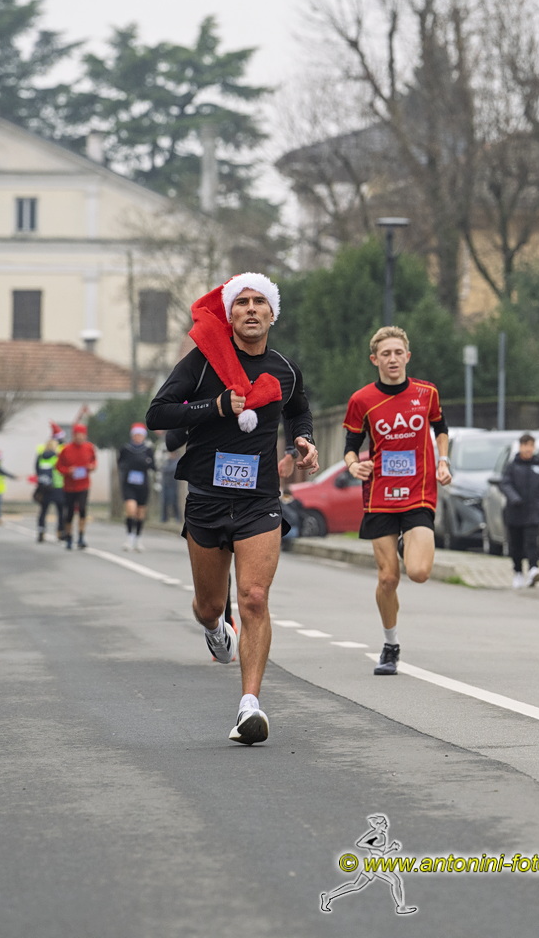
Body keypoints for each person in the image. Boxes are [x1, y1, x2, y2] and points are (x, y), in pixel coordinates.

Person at [145, 272, 317, 745]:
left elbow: (298, 409)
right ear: (230, 314)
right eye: (241, 302)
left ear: (272, 314)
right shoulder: (202, 363)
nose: (251, 309)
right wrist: (216, 406)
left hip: (259, 500)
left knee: (254, 597)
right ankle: (215, 627)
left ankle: (249, 706)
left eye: (260, 301)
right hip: (206, 496)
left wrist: (303, 440)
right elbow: (157, 413)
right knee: (208, 606)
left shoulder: (285, 369)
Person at [342, 326, 452, 676]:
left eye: (398, 353)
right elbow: (350, 447)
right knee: (388, 579)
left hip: (419, 492)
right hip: (380, 496)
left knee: (418, 573)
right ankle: (390, 645)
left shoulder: (426, 393)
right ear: (374, 359)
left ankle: (408, 543)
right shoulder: (362, 400)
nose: (392, 359)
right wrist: (354, 466)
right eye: (385, 354)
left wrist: (444, 461)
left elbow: (440, 428)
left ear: (408, 356)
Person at [499, 433, 539, 588]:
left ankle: (533, 569)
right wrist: (514, 498)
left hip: (533, 513)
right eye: (525, 446)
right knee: (516, 545)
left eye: (531, 446)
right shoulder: (512, 467)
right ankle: (518, 572)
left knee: (532, 543)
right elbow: (505, 484)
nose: (528, 449)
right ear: (520, 447)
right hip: (515, 514)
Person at [56, 422, 98, 550]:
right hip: (69, 486)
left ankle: (81, 536)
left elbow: (94, 461)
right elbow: (58, 466)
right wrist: (68, 471)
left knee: (82, 510)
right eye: (78, 435)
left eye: (82, 435)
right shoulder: (66, 449)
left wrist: (92, 467)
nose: (80, 437)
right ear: (74, 435)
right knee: (69, 512)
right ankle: (69, 537)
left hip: (84, 485)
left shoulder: (89, 448)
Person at [119, 423, 157, 552]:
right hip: (129, 484)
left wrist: (147, 463)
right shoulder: (126, 449)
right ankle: (129, 538)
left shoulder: (148, 450)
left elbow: (154, 466)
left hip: (143, 485)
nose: (138, 437)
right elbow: (120, 463)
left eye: (140, 435)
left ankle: (138, 539)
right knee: (131, 510)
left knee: (140, 513)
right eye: (136, 434)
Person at [33, 429, 66, 543]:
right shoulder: (57, 457)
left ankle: (41, 531)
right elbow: (61, 470)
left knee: (43, 511)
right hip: (58, 487)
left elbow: (37, 470)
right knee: (60, 511)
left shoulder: (41, 457)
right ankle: (60, 532)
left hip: (44, 488)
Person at [160, 445, 183, 523]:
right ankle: (164, 518)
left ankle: (177, 517)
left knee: (174, 501)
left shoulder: (177, 461)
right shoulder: (167, 461)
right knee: (164, 501)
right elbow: (162, 468)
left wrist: (166, 469)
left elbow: (171, 468)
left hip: (174, 484)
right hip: (166, 483)